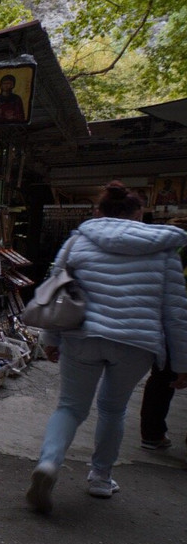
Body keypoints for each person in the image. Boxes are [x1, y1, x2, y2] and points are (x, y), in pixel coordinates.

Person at [26, 182, 187, 513]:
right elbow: (175, 314)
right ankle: (100, 477)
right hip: (136, 342)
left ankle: (49, 463)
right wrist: (181, 363)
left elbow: (55, 290)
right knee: (114, 409)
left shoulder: (78, 241)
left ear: (100, 211)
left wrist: (51, 339)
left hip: (83, 336)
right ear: (139, 213)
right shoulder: (164, 250)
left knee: (70, 406)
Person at [139, 216, 187, 449]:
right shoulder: (173, 256)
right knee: (164, 379)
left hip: (163, 325)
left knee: (161, 378)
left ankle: (152, 433)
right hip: (176, 321)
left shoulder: (156, 253)